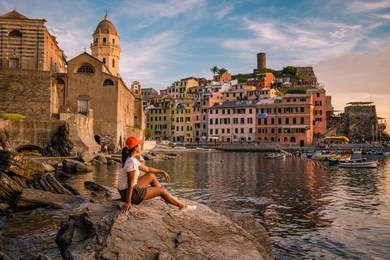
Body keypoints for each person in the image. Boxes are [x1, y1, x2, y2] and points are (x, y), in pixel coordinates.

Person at [118, 136, 196, 214]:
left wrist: (162, 171)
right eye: (139, 145)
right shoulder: (132, 162)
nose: (140, 146)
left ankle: (166, 197)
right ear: (135, 148)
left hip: (125, 191)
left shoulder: (130, 159)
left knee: (151, 175)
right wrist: (128, 202)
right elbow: (130, 183)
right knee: (161, 190)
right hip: (131, 194)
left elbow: (147, 169)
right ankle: (182, 206)